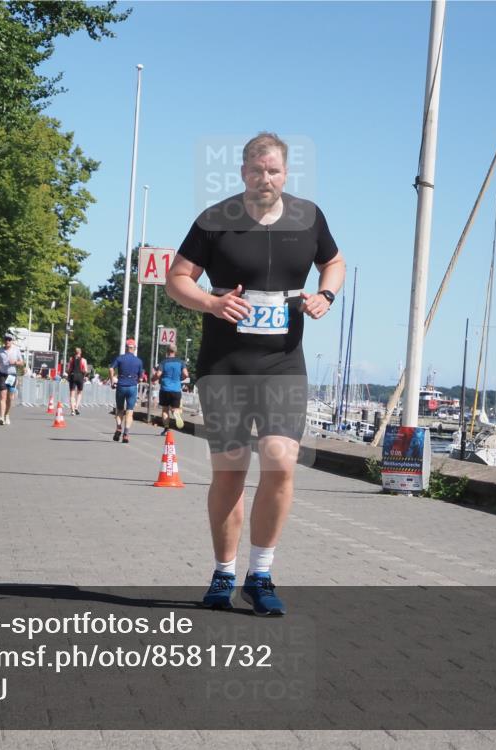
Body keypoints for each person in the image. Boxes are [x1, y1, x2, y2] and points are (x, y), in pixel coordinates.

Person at [166, 132, 345, 616]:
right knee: (229, 472)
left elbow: (334, 262)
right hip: (224, 366)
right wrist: (211, 301)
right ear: (242, 172)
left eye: (274, 171)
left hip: (283, 363)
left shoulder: (309, 217)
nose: (264, 178)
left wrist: (325, 295)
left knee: (281, 462)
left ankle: (260, 574)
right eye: (256, 170)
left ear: (286, 174)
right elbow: (177, 279)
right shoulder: (214, 220)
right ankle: (224, 573)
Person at [108, 339, 144, 444]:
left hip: (121, 386)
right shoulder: (139, 361)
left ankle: (119, 427)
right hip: (132, 387)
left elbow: (111, 369)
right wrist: (136, 380)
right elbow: (141, 378)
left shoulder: (120, 358)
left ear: (126, 348)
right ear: (134, 348)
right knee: (129, 411)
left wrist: (112, 381)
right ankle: (126, 433)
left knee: (119, 410)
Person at [153, 343, 189, 436]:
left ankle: (166, 429)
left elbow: (158, 374)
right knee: (175, 408)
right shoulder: (181, 362)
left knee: (165, 410)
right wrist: (180, 379)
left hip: (165, 389)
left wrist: (153, 379)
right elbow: (186, 374)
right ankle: (175, 413)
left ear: (167, 351)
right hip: (176, 389)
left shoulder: (164, 362)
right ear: (175, 351)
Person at [0, 333, 25, 426]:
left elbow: (22, 363)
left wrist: (15, 362)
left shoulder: (16, 350)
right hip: (2, 375)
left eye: (9, 340)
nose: (7, 341)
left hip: (12, 375)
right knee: (2, 397)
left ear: (12, 341)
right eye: (6, 339)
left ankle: (7, 415)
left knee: (10, 398)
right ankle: (1, 417)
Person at [66, 347, 88, 415]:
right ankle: (76, 407)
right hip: (80, 377)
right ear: (80, 352)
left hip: (72, 376)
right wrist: (84, 376)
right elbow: (86, 370)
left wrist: (69, 375)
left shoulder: (71, 359)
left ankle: (72, 410)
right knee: (79, 393)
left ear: (74, 352)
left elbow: (69, 369)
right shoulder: (83, 360)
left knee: (72, 394)